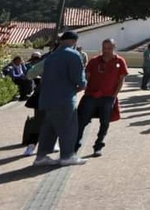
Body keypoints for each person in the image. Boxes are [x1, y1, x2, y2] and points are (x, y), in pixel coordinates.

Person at [33, 31, 88, 167]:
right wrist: (82, 85)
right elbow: (79, 78)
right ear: (75, 41)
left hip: (47, 98)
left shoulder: (51, 56)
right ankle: (67, 156)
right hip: (65, 98)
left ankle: (41, 156)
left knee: (49, 128)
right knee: (68, 128)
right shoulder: (73, 55)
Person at [76, 38, 128, 157]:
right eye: (104, 48)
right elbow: (87, 78)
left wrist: (114, 96)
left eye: (109, 48)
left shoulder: (120, 61)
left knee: (105, 122)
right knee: (82, 121)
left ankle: (98, 145)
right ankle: (75, 145)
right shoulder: (94, 61)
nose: (106, 51)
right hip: (91, 96)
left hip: (108, 97)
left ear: (114, 48)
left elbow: (121, 80)